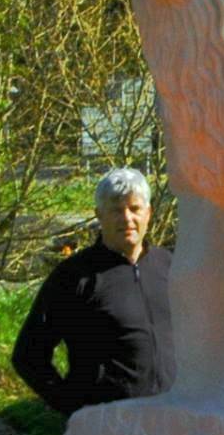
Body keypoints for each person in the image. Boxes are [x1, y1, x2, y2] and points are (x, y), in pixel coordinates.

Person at [13, 167, 176, 415]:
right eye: (115, 210)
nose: (127, 218)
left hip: (172, 423)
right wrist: (72, 406)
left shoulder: (171, 267)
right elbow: (28, 355)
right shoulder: (75, 277)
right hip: (109, 430)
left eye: (134, 209)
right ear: (99, 215)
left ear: (149, 213)